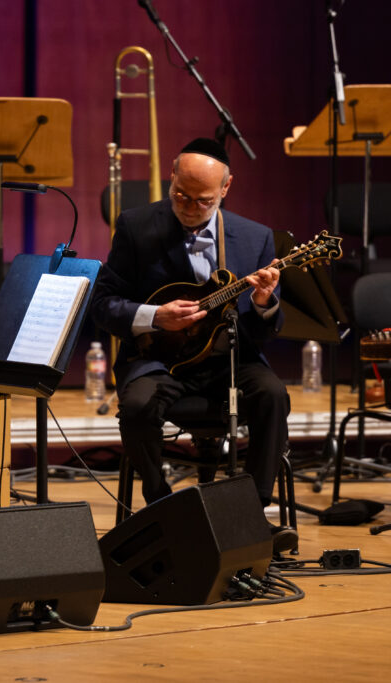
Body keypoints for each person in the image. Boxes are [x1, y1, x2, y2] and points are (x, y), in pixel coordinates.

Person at [91, 137, 295, 552]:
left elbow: (265, 331)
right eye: (180, 195)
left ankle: (250, 516)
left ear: (225, 188)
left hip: (227, 361)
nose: (188, 206)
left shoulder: (254, 238)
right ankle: (163, 509)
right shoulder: (135, 226)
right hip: (158, 360)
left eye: (202, 200)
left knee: (273, 394)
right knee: (136, 406)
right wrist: (153, 317)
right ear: (171, 177)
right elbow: (102, 305)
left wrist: (262, 302)